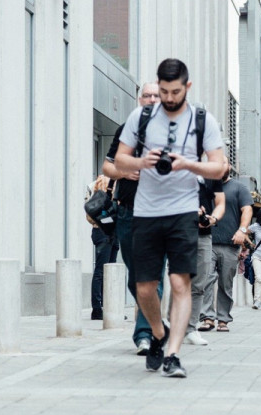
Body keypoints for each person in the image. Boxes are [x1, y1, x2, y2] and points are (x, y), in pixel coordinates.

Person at [114, 58, 226, 377]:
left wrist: (188, 164)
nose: (168, 98)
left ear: (187, 87)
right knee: (145, 287)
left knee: (180, 282)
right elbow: (119, 159)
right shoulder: (142, 116)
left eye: (175, 91)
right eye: (163, 91)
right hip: (146, 212)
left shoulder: (203, 119)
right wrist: (141, 162)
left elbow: (219, 167)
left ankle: (173, 354)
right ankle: (159, 334)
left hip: (183, 211)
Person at [102, 82, 162, 354]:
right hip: (127, 211)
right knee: (136, 276)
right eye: (146, 95)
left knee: (153, 275)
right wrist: (124, 173)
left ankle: (145, 334)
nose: (151, 99)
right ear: (140, 100)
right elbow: (106, 166)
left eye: (156, 96)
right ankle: (152, 321)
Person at [199, 158, 253, 332]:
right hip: (207, 241)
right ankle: (207, 317)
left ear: (229, 166)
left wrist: (242, 230)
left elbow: (247, 210)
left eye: (223, 164)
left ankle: (223, 319)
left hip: (230, 244)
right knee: (206, 279)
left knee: (225, 283)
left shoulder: (239, 188)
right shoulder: (204, 185)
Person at [183, 174, 225, 346]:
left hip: (204, 236)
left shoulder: (211, 172)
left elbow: (221, 203)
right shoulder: (177, 166)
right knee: (180, 281)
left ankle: (191, 329)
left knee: (200, 283)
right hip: (179, 232)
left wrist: (212, 218)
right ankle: (175, 327)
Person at [87, 175, 119, 320]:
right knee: (102, 271)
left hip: (106, 231)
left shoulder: (93, 185)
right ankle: (97, 309)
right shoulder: (100, 185)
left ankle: (107, 308)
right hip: (104, 231)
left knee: (109, 271)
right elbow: (90, 213)